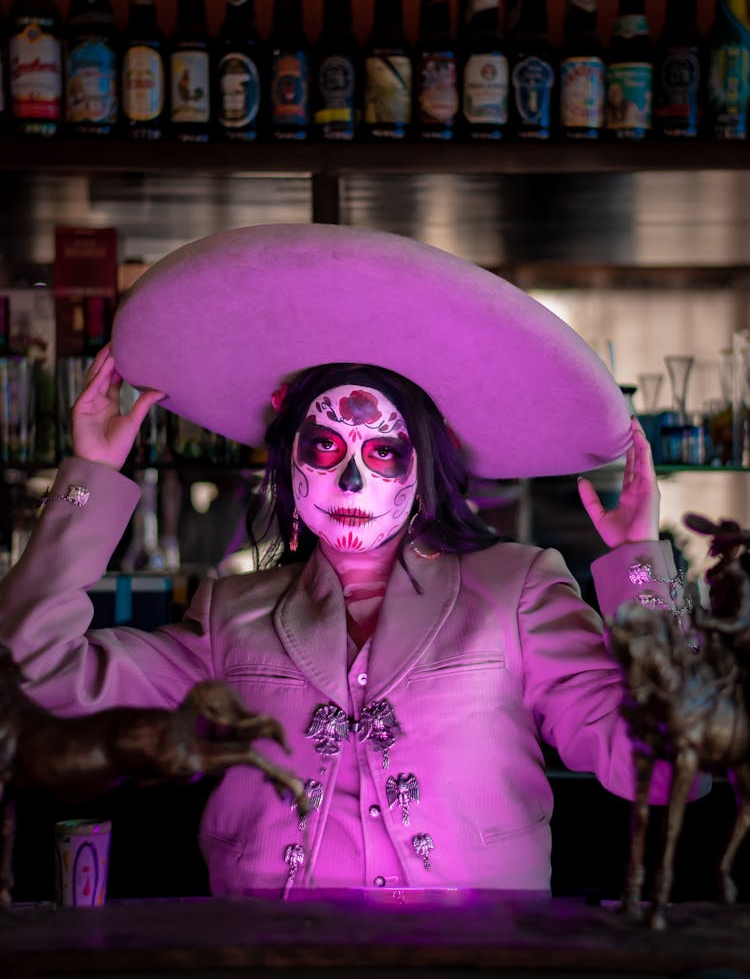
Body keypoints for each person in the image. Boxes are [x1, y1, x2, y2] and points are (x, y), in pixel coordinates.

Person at [0, 223, 701, 896]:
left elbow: (671, 764)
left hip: (475, 955)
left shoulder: (517, 587)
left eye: (384, 451)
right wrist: (89, 478)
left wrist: (640, 565)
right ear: (287, 460)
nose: (353, 482)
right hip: (272, 955)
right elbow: (35, 675)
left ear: (426, 465)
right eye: (326, 448)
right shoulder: (231, 613)